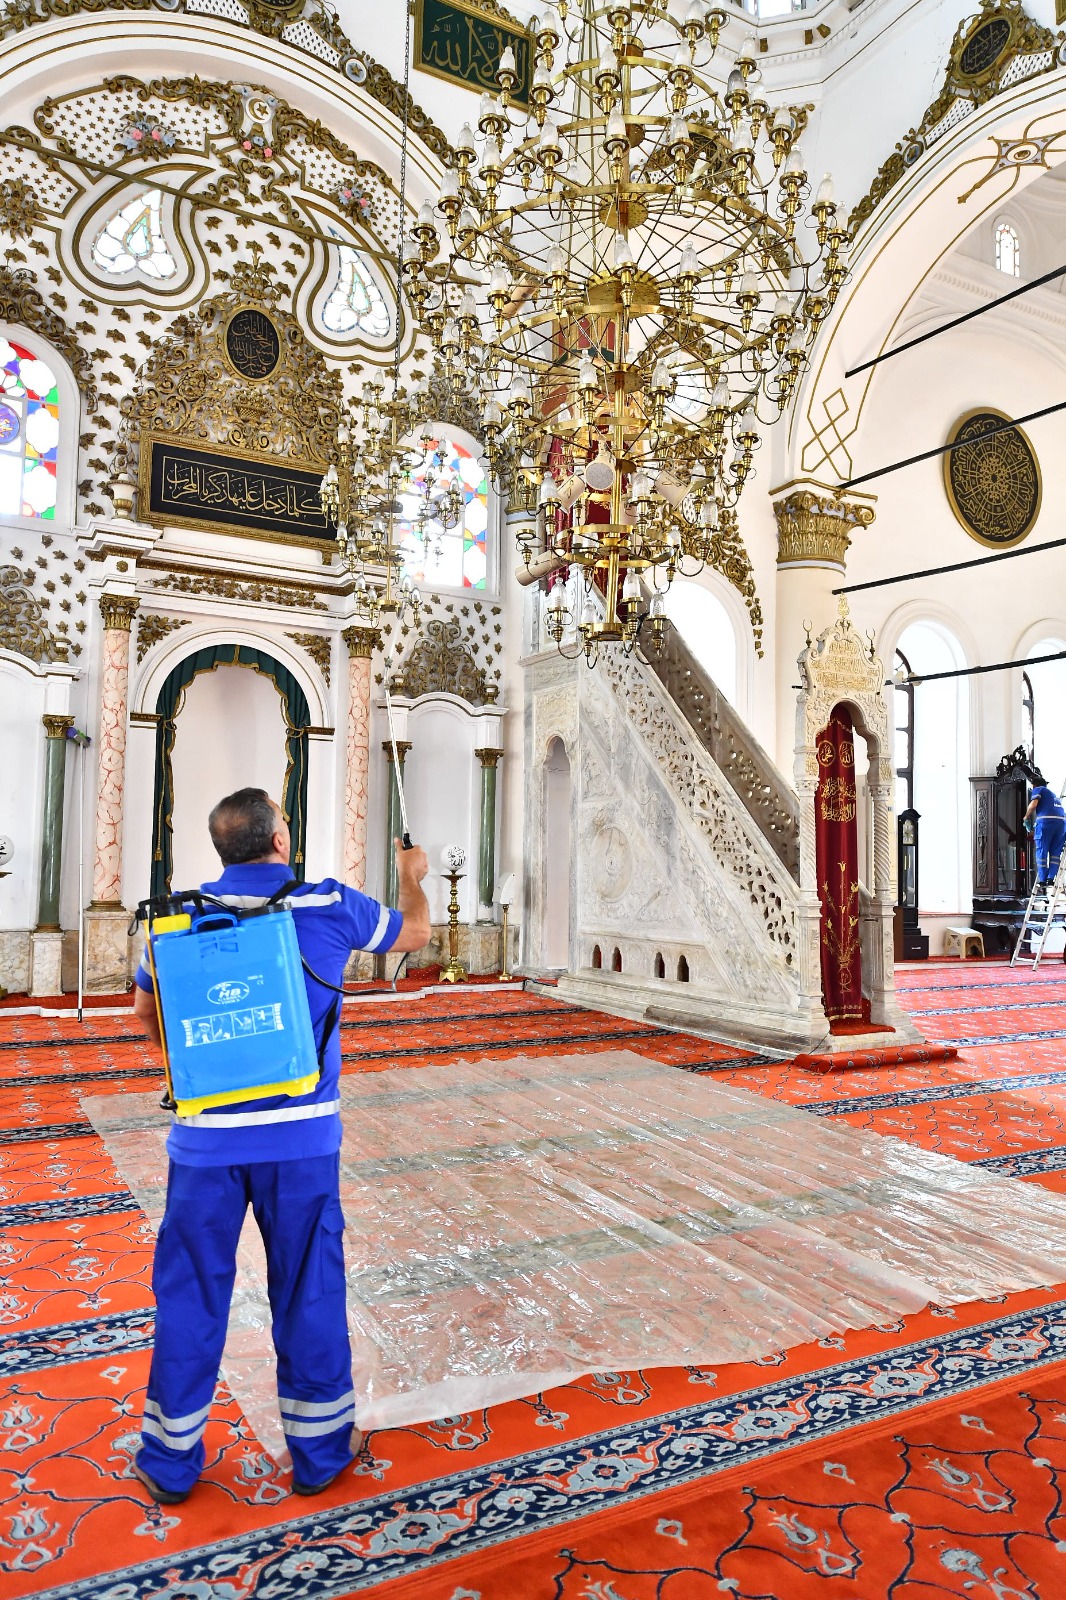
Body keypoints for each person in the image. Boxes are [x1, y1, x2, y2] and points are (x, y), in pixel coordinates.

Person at [130, 787, 430, 1505]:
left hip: (203, 1145)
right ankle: (321, 1451)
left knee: (191, 1292)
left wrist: (203, 1064)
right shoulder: (327, 905)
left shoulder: (175, 918)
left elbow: (144, 1011)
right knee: (308, 1286)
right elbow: (414, 936)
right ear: (278, 842)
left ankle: (170, 1462)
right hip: (301, 1143)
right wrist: (412, 876)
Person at [1024, 776, 1066, 893]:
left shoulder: (1039, 789)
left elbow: (1033, 805)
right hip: (1062, 823)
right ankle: (1051, 879)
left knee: (1042, 851)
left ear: (1034, 785)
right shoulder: (1054, 796)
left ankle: (1042, 880)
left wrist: (1026, 817)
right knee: (1055, 854)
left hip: (1046, 823)